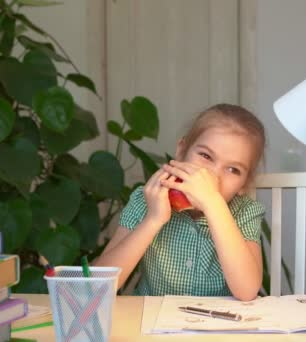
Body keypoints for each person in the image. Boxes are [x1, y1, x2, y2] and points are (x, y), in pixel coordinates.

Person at [94, 104, 266, 301]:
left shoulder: (245, 212)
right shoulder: (147, 199)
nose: (212, 176)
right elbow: (98, 286)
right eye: (206, 156)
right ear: (181, 151)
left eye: (233, 170)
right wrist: (153, 220)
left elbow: (247, 291)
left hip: (216, 325)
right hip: (150, 321)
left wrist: (213, 204)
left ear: (244, 184)